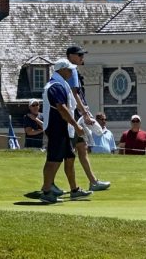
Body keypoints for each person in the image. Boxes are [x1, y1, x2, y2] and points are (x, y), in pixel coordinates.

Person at [39, 59, 92, 203]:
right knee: (54, 160)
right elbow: (62, 109)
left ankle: (74, 190)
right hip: (56, 128)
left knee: (70, 157)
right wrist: (76, 126)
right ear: (61, 70)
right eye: (68, 69)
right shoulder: (55, 86)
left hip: (63, 128)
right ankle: (46, 191)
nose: (71, 72)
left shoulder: (61, 85)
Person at [66, 46, 110, 192]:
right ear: (71, 56)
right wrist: (85, 113)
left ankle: (93, 181)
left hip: (76, 117)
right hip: (73, 118)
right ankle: (50, 185)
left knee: (82, 148)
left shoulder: (72, 70)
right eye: (79, 55)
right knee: (68, 154)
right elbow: (74, 94)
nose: (82, 58)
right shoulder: (71, 70)